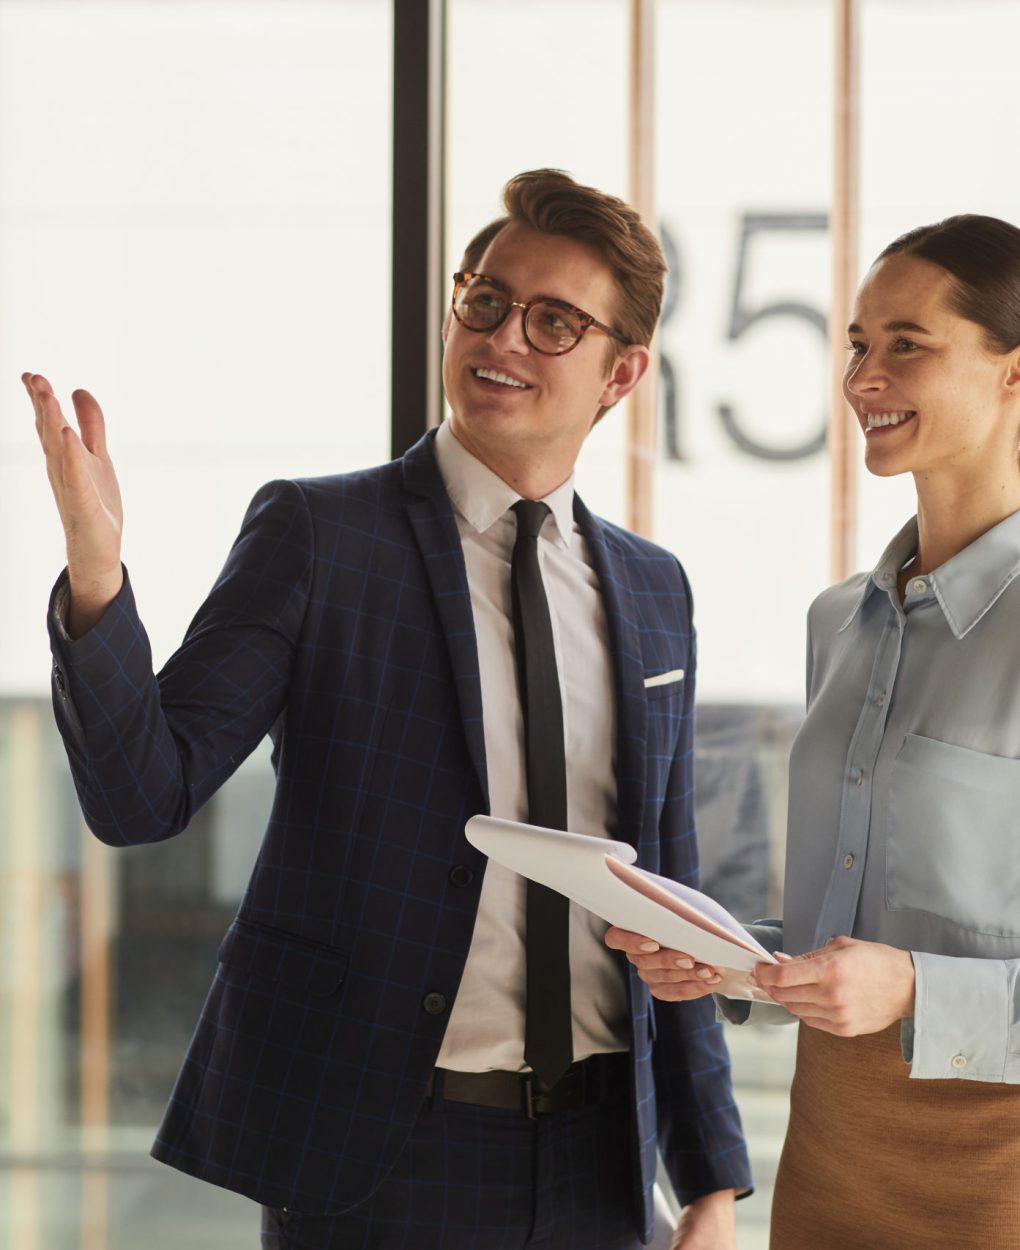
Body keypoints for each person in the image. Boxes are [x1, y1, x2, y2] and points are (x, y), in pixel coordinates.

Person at [26, 168, 751, 1250]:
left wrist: (712, 1176)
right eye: (486, 299)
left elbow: (669, 894)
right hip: (380, 1158)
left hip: (604, 1165)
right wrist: (96, 580)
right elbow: (144, 794)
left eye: (554, 320)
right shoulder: (320, 537)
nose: (504, 337)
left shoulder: (654, 587)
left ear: (622, 372)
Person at [608, 212, 1020, 1248]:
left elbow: (905, 974)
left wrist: (917, 989)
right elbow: (858, 934)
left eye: (907, 344)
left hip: (995, 1182)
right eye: (857, 343)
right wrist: (740, 961)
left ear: (1014, 374)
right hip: (831, 1161)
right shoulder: (841, 619)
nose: (862, 377)